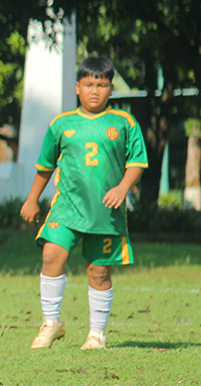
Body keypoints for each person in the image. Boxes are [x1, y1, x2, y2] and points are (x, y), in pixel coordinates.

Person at [20, 56, 148, 350]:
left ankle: (96, 335)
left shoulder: (124, 123)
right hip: (67, 207)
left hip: (105, 211)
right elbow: (45, 165)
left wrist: (123, 188)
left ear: (110, 89)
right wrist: (32, 200)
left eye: (101, 85)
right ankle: (51, 324)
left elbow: (137, 162)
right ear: (77, 87)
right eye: (89, 85)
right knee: (52, 254)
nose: (94, 91)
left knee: (99, 272)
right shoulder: (62, 124)